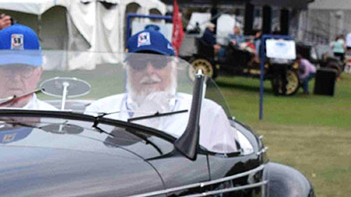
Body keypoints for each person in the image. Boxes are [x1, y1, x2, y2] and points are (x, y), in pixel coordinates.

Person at [85, 26, 237, 154]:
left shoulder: (206, 112)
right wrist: (142, 115)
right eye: (139, 63)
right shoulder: (99, 111)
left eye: (158, 63)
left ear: (173, 68)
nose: (149, 71)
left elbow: (226, 165)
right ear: (128, 70)